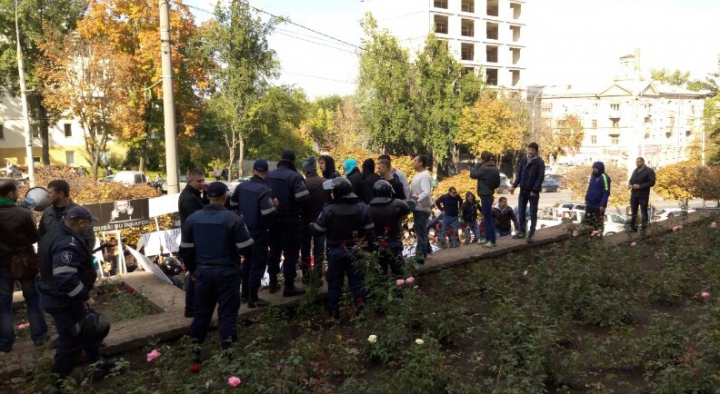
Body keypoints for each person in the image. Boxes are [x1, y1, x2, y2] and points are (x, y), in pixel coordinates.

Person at [37, 206, 113, 384]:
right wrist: (85, 296)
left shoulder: (54, 233)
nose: (89, 227)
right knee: (71, 340)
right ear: (81, 222)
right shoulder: (67, 243)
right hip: (63, 299)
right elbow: (64, 277)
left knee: (87, 329)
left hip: (61, 295)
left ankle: (98, 365)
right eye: (88, 223)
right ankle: (58, 381)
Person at [179, 182, 254, 354]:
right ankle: (228, 352)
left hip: (202, 273)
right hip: (227, 273)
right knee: (227, 313)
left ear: (207, 197)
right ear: (224, 197)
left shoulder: (193, 219)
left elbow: (185, 249)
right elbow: (247, 248)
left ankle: (195, 350)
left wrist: (194, 271)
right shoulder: (233, 219)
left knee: (201, 313)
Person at [312, 178, 375, 318]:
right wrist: (369, 249)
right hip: (356, 251)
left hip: (335, 252)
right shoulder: (362, 207)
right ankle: (361, 312)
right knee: (357, 284)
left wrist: (312, 226)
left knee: (334, 285)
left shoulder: (328, 209)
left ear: (338, 192)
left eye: (333, 191)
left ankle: (333, 314)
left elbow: (317, 230)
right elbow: (370, 231)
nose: (332, 194)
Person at [0, 180, 48, 352]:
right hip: (24, 262)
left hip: (2, 264)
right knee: (33, 300)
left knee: (3, 304)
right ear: (11, 194)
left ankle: (5, 343)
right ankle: (40, 337)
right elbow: (34, 238)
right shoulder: (22, 213)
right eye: (17, 191)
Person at [231, 160, 277, 308]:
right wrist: (275, 206)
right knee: (258, 264)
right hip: (259, 232)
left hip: (244, 231)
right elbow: (267, 213)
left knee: (247, 262)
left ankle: (244, 294)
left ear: (253, 170)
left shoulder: (241, 186)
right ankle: (254, 298)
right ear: (267, 171)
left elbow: (233, 205)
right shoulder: (264, 190)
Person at [267, 150, 310, 296]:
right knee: (290, 253)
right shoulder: (295, 176)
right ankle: (289, 286)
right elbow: (303, 198)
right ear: (293, 161)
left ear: (281, 159)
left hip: (272, 220)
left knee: (274, 251)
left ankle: (272, 283)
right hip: (290, 220)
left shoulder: (269, 175)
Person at [368, 180, 415, 279]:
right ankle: (399, 293)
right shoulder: (396, 204)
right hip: (394, 241)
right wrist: (414, 199)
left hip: (377, 243)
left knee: (381, 274)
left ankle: (384, 293)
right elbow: (408, 208)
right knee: (399, 273)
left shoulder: (368, 208)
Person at [178, 169, 207, 317]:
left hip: (192, 243)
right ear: (190, 181)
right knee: (195, 276)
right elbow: (200, 219)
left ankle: (192, 308)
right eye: (199, 181)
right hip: (191, 244)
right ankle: (191, 309)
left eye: (203, 180)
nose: (203, 183)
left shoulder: (193, 195)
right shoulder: (190, 199)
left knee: (194, 276)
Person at [39, 180, 95, 250]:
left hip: (74, 258)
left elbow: (90, 240)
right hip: (52, 258)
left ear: (60, 194)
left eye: (50, 193)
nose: (47, 196)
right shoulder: (47, 212)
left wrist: (81, 257)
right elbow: (41, 237)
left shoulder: (80, 212)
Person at [300, 157, 329, 288]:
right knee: (318, 250)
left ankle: (306, 276)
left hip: (305, 222)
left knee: (305, 250)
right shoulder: (325, 182)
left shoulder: (303, 184)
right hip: (321, 222)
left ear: (306, 171)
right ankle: (318, 277)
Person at [510, 142, 546, 244]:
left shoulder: (539, 162)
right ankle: (522, 232)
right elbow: (519, 174)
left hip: (533, 192)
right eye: (529, 149)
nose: (530, 152)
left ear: (536, 151)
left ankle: (531, 234)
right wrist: (514, 186)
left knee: (532, 213)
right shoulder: (524, 159)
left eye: (532, 150)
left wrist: (535, 190)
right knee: (521, 211)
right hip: (523, 190)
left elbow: (540, 177)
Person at [470, 151, 501, 248]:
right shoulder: (495, 168)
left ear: (482, 159)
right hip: (489, 195)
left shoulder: (484, 169)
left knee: (488, 219)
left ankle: (492, 241)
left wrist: (477, 164)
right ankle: (487, 239)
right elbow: (497, 184)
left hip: (485, 196)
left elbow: (472, 174)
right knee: (486, 218)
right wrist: (491, 187)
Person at [410, 155, 432, 264]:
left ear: (421, 163)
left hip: (421, 208)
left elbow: (426, 192)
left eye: (415, 161)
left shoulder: (424, 176)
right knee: (421, 231)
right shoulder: (419, 174)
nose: (413, 162)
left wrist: (415, 200)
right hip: (418, 207)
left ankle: (420, 259)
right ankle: (428, 249)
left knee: (421, 233)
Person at [628, 157, 656, 232]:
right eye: (636, 162)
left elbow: (652, 182)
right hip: (634, 194)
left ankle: (644, 229)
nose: (637, 163)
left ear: (643, 162)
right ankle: (633, 228)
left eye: (639, 162)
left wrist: (640, 186)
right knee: (633, 211)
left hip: (643, 195)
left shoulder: (649, 171)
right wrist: (630, 184)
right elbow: (631, 180)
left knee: (643, 212)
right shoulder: (635, 170)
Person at [584, 161, 611, 233]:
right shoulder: (592, 176)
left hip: (598, 206)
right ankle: (588, 239)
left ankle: (598, 240)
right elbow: (590, 187)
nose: (594, 169)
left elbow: (606, 192)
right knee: (587, 223)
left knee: (597, 225)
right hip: (590, 204)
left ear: (600, 168)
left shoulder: (604, 177)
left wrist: (603, 204)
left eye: (596, 168)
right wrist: (586, 197)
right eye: (593, 168)